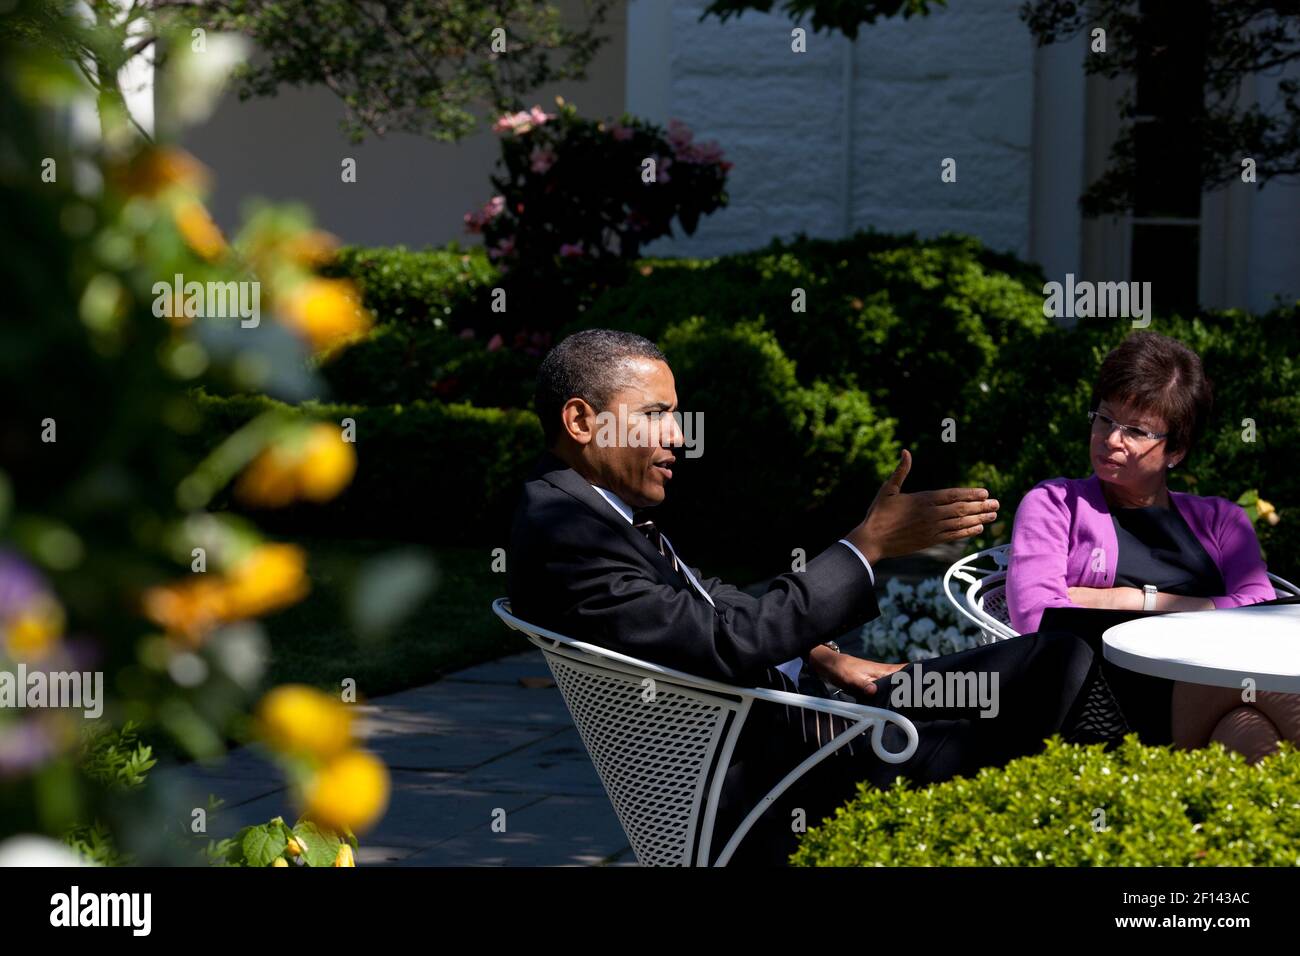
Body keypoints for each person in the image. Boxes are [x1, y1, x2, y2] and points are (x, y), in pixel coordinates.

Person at [508, 328, 1099, 865]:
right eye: (656, 414)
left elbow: (701, 601)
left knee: (1053, 655)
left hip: (813, 729)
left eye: (676, 414)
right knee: (1054, 664)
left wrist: (823, 655)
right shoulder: (567, 531)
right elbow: (724, 642)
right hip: (791, 789)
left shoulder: (585, 512)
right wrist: (866, 546)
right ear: (581, 422)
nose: (679, 436)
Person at [1006, 330, 1298, 762]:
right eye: (1105, 419)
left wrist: (1134, 599)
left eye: (1136, 431)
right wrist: (1204, 606)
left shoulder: (1222, 520)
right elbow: (1039, 617)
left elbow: (1259, 606)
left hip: (1214, 695)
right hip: (1107, 700)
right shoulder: (1055, 505)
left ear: (1176, 450)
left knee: (1253, 739)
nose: (1111, 439)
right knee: (1267, 688)